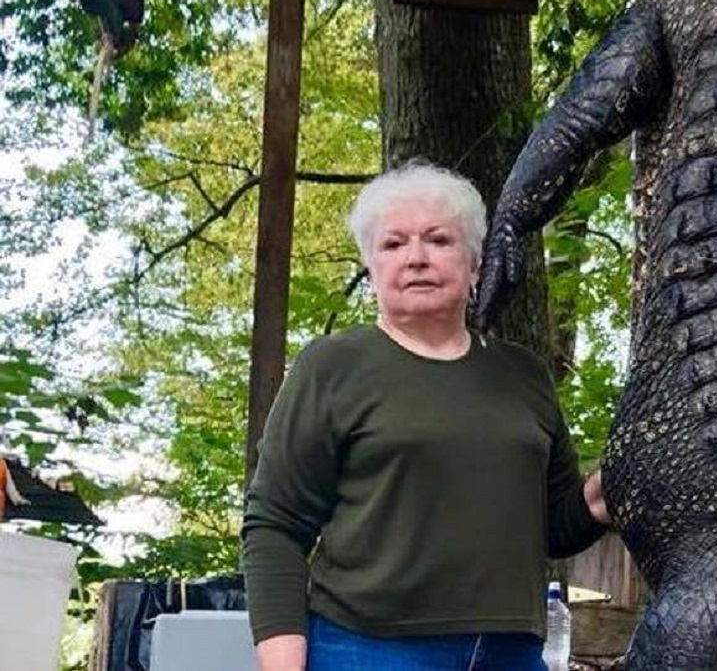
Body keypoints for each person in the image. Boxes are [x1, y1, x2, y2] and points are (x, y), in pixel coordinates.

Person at [242, 160, 610, 671]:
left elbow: (555, 526)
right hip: (366, 648)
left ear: (476, 263)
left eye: (439, 240)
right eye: (393, 244)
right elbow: (275, 524)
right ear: (371, 267)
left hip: (512, 652)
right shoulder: (332, 366)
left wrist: (607, 490)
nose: (416, 258)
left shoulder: (524, 375)